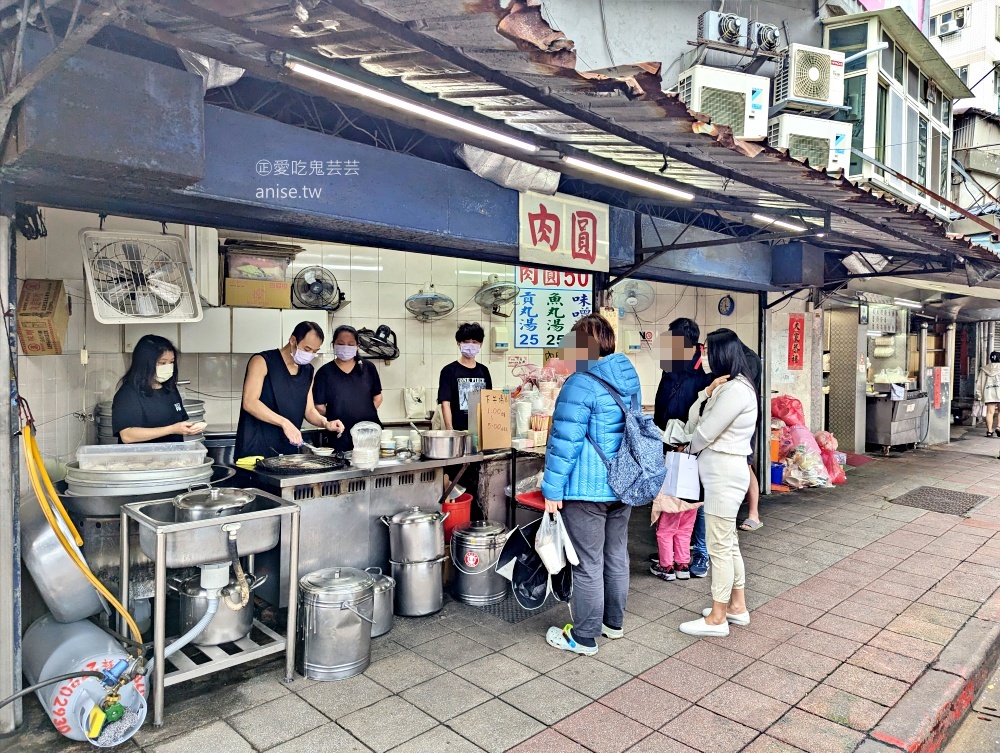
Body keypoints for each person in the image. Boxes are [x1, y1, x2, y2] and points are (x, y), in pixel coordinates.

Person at [541, 314, 639, 656]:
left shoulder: (579, 383)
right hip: (623, 482)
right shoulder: (627, 377)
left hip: (587, 489)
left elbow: (563, 443)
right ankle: (613, 623)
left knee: (587, 563)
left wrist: (551, 490)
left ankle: (582, 637)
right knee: (615, 554)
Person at [679, 328, 758, 638]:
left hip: (724, 476)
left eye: (709, 352)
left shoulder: (736, 391)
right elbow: (698, 422)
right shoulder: (731, 387)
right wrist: (707, 393)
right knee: (728, 542)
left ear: (724, 354)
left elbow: (704, 431)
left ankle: (717, 617)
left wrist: (687, 447)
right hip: (723, 474)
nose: (705, 358)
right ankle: (737, 606)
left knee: (719, 547)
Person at [652, 318, 712, 578]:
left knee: (692, 500)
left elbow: (699, 410)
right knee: (673, 497)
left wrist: (685, 441)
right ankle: (675, 554)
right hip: (668, 440)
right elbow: (662, 401)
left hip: (689, 444)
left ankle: (697, 553)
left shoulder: (703, 369)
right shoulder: (672, 367)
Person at [235, 321, 344, 459]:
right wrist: (285, 423)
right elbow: (250, 402)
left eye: (315, 352)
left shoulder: (308, 371)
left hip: (288, 453)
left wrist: (325, 422)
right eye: (307, 349)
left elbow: (309, 410)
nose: (310, 355)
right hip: (255, 451)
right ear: (293, 340)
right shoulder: (262, 361)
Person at [112, 335, 202, 444]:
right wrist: (172, 429)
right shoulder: (128, 394)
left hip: (172, 457)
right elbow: (127, 436)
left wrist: (188, 428)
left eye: (171, 362)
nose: (168, 367)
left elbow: (177, 422)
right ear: (145, 364)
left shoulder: (170, 389)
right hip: (141, 459)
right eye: (162, 363)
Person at [312, 325, 383, 451]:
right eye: (341, 343)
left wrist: (362, 414)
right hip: (339, 435)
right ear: (333, 344)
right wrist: (339, 415)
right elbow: (319, 407)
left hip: (369, 435)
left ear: (357, 346)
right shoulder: (324, 372)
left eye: (351, 344)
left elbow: (378, 398)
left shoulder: (368, 368)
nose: (346, 347)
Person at [437, 322, 492, 431]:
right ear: (459, 344)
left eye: (475, 342)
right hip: (458, 431)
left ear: (480, 344)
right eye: (466, 342)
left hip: (481, 430)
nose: (471, 345)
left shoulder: (484, 371)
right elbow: (445, 404)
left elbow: (489, 401)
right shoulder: (448, 371)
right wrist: (450, 430)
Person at [739, 343, 765, 532]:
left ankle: (754, 514)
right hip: (743, 418)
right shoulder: (745, 357)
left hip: (745, 420)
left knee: (746, 465)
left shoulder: (748, 360)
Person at [976, 351, 1000, 438]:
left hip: (989, 393)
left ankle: (989, 431)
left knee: (990, 412)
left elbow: (979, 383)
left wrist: (979, 395)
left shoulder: (984, 369)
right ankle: (998, 427)